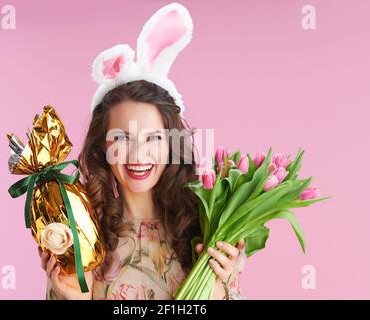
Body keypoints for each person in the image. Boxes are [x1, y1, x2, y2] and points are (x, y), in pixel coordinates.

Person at [39, 3, 246, 300]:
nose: (138, 153)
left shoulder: (207, 227)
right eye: (122, 137)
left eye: (153, 138)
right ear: (103, 146)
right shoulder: (79, 235)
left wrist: (224, 291)